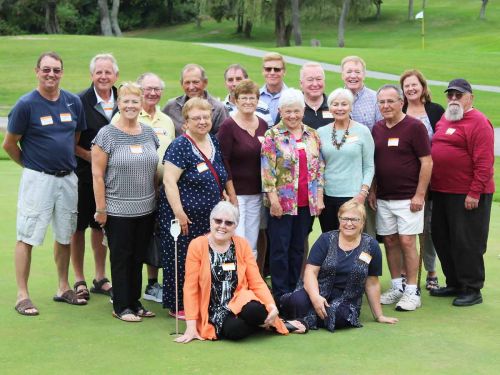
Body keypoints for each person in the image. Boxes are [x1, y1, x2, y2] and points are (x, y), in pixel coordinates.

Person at [3, 52, 87, 316]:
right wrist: (31, 167)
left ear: (62, 73)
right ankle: (22, 295)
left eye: (56, 70)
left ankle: (63, 287)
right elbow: (9, 144)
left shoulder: (73, 102)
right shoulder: (26, 104)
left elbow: (74, 140)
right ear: (37, 71)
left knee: (65, 234)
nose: (51, 75)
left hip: (67, 179)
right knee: (27, 235)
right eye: (46, 70)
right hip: (38, 179)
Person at [175, 201, 307, 343]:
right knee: (235, 330)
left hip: (240, 300)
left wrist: (271, 306)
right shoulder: (197, 245)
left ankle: (274, 320)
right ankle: (267, 325)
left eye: (228, 223)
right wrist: (191, 327)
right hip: (214, 309)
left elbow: (256, 281)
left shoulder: (242, 244)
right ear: (210, 221)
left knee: (255, 311)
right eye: (218, 221)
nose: (222, 226)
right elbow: (190, 288)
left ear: (235, 226)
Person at [159, 97, 236, 319]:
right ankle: (179, 304)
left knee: (205, 258)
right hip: (185, 216)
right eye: (196, 118)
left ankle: (203, 298)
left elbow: (220, 170)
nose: (202, 121)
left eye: (205, 117)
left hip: (209, 216)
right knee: (182, 259)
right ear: (186, 122)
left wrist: (226, 193)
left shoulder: (213, 141)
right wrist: (179, 212)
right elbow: (169, 181)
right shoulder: (179, 145)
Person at [92, 82, 159, 322]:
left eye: (135, 101)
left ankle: (134, 301)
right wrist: (101, 209)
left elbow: (153, 171)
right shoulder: (107, 134)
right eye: (126, 101)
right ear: (118, 104)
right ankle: (121, 305)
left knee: (138, 257)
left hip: (146, 208)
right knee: (121, 257)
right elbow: (97, 174)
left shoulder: (149, 133)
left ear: (141, 105)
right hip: (117, 208)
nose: (130, 105)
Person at [280, 200, 398, 331]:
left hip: (345, 300)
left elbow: (372, 282)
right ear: (339, 220)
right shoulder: (325, 240)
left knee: (340, 316)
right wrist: (315, 298)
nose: (349, 223)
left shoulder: (371, 246)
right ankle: (308, 318)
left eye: (354, 219)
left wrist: (379, 315)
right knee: (297, 301)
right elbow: (310, 272)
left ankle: (300, 322)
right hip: (317, 290)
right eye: (345, 218)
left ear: (362, 223)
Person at [430, 79, 494, 306]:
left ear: (470, 97)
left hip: (467, 194)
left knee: (466, 241)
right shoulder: (445, 119)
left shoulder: (478, 122)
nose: (454, 99)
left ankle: (472, 288)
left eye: (459, 95)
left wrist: (474, 192)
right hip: (441, 191)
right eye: (450, 95)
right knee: (442, 238)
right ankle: (455, 282)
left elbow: (485, 162)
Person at [112, 72, 175, 303]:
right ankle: (122, 298)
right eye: (147, 89)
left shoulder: (162, 122)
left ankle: (141, 294)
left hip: (156, 194)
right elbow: (104, 167)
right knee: (123, 251)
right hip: (123, 198)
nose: (152, 93)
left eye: (157, 89)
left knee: (145, 246)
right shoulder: (115, 125)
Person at [368, 84, 432, 312]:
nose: (385, 106)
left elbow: (427, 161)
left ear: (401, 102)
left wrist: (420, 194)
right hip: (384, 197)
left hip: (409, 198)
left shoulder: (415, 127)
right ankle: (397, 285)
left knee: (407, 241)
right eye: (381, 102)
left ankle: (412, 290)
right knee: (391, 241)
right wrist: (374, 189)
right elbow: (375, 163)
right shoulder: (376, 128)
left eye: (390, 101)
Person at [261, 88, 324, 303]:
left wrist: (320, 197)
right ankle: (280, 293)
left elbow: (318, 169)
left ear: (303, 110)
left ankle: (295, 288)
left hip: (307, 203)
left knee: (298, 248)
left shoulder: (312, 134)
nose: (292, 116)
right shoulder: (272, 135)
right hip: (282, 203)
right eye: (287, 112)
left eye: (296, 111)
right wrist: (274, 201)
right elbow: (267, 171)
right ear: (280, 111)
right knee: (280, 249)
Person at [72, 53, 118, 301]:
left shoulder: (124, 100)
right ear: (92, 75)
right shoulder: (79, 101)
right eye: (98, 72)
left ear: (115, 76)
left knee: (101, 225)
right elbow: (71, 143)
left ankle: (100, 278)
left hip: (115, 179)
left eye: (107, 72)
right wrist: (92, 158)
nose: (103, 76)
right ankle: (79, 278)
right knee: (78, 227)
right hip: (83, 175)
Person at [400, 69, 445, 291]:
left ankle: (431, 271)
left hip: (432, 178)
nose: (411, 89)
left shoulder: (435, 111)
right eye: (406, 86)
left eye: (414, 85)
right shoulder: (400, 110)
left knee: (427, 228)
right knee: (406, 231)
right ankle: (405, 274)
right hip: (405, 179)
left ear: (423, 86)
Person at [217, 80, 268, 260]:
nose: (248, 102)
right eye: (243, 98)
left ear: (257, 100)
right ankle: (235, 284)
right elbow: (223, 161)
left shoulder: (263, 125)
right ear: (236, 101)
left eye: (252, 98)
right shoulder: (228, 126)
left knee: (252, 242)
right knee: (237, 239)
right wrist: (231, 194)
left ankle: (250, 283)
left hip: (256, 193)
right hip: (236, 194)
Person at [317, 88, 374, 232]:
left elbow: (369, 166)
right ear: (330, 108)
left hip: (354, 197)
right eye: (335, 104)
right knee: (330, 238)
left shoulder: (363, 131)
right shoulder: (320, 132)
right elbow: (317, 166)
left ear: (351, 106)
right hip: (328, 195)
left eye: (344, 104)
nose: (340, 108)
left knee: (353, 239)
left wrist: (363, 193)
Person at [341, 55, 382, 239]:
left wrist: (373, 185)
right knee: (345, 226)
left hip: (369, 171)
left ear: (364, 74)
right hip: (342, 175)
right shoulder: (337, 99)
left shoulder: (375, 99)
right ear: (342, 74)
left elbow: (381, 134)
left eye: (357, 72)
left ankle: (368, 267)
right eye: (349, 71)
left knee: (367, 229)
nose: (353, 76)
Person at [163, 64, 228, 136]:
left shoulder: (218, 109)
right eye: (187, 83)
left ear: (205, 82)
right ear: (181, 84)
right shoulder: (171, 106)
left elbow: (223, 139)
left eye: (195, 82)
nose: (191, 87)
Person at [300, 62, 332, 130]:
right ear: (301, 83)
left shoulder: (335, 106)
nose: (315, 84)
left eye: (319, 79)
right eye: (310, 80)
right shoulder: (291, 107)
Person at [260, 52, 288, 124]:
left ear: (284, 72)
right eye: (268, 69)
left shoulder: (293, 97)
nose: (272, 73)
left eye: (277, 69)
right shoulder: (255, 97)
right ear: (263, 71)